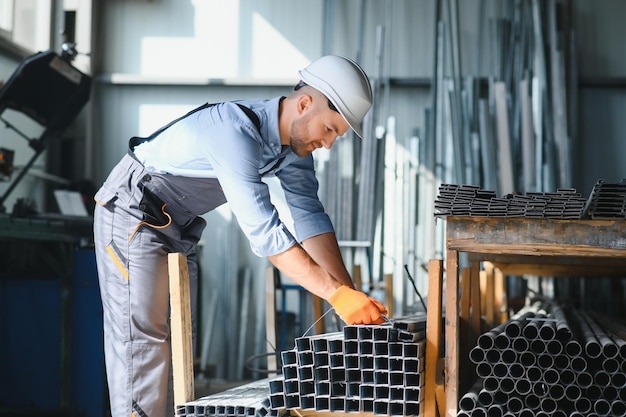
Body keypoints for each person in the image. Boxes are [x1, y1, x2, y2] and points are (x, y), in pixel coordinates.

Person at [93, 55, 388, 417]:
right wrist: (336, 294)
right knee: (144, 344)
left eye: (336, 136)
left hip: (176, 227)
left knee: (179, 343)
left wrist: (350, 298)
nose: (327, 144)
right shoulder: (233, 132)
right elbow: (265, 233)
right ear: (305, 103)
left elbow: (310, 218)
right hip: (131, 215)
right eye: (328, 129)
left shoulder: (293, 152)